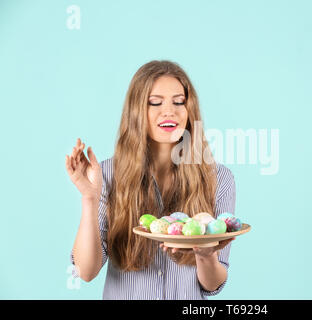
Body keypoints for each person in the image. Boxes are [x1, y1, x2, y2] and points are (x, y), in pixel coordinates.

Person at [65, 60, 236, 300]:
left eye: (179, 102)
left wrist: (206, 255)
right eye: (155, 102)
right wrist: (89, 198)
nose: (169, 111)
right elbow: (85, 271)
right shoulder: (107, 175)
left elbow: (213, 285)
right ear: (136, 112)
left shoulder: (218, 179)